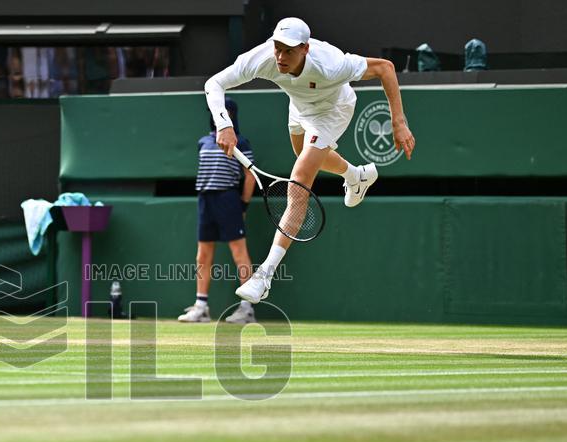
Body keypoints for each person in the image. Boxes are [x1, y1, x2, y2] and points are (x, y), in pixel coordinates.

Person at [205, 17, 416, 304]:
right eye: (277, 48)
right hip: (299, 106)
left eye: (288, 51)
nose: (280, 56)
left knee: (299, 180)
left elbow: (385, 68)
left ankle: (264, 275)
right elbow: (214, 83)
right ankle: (356, 176)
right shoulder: (264, 57)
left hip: (333, 110)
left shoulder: (332, 64)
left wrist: (398, 122)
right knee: (301, 154)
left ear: (305, 48)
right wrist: (224, 124)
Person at [178, 98, 259, 324]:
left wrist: (243, 204)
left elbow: (250, 174)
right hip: (205, 199)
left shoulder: (241, 142)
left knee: (239, 253)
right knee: (202, 255)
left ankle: (247, 309)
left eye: (224, 112)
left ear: (231, 115)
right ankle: (201, 307)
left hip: (228, 199)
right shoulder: (203, 141)